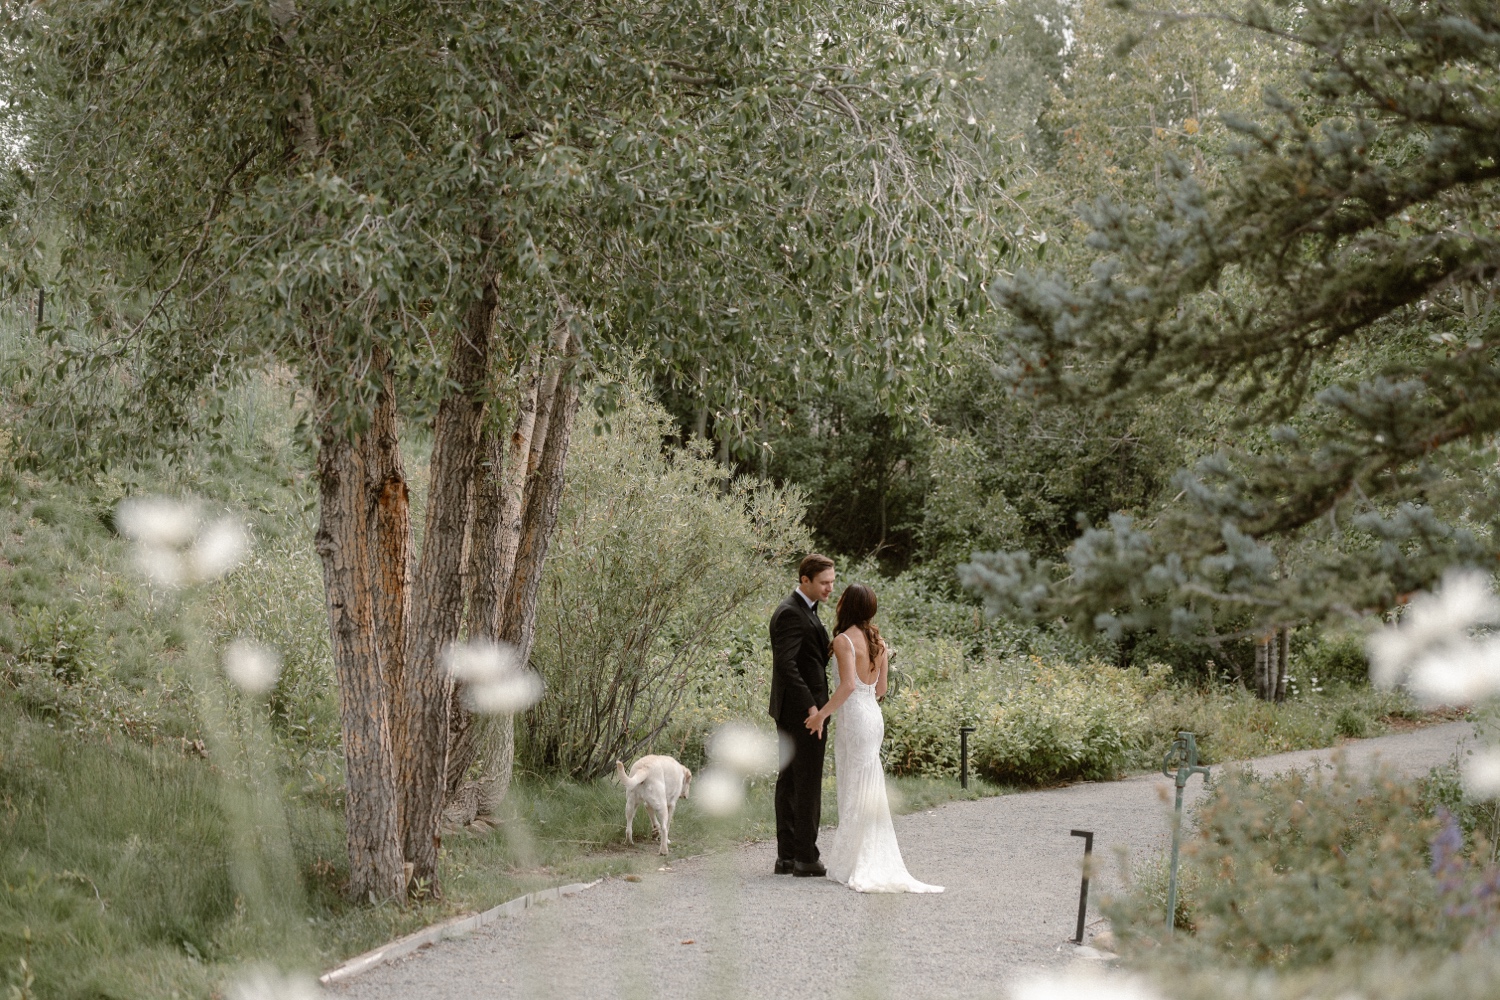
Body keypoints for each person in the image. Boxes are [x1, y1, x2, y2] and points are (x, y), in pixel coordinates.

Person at [806, 583, 943, 893]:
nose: (836, 599)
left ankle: (855, 861)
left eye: (841, 597)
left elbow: (847, 687)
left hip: (855, 716)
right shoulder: (878, 641)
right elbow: (880, 690)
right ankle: (859, 857)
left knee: (854, 784)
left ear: (847, 605)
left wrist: (821, 715)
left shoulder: (843, 641)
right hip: (873, 716)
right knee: (868, 783)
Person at [769, 553, 835, 877]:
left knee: (793, 781)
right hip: (803, 712)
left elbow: (807, 656)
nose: (830, 588)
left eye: (833, 582)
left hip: (795, 709)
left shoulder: (806, 611)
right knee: (804, 782)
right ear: (805, 580)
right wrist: (813, 707)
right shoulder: (790, 613)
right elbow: (786, 664)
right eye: (824, 583)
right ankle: (805, 858)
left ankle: (788, 856)